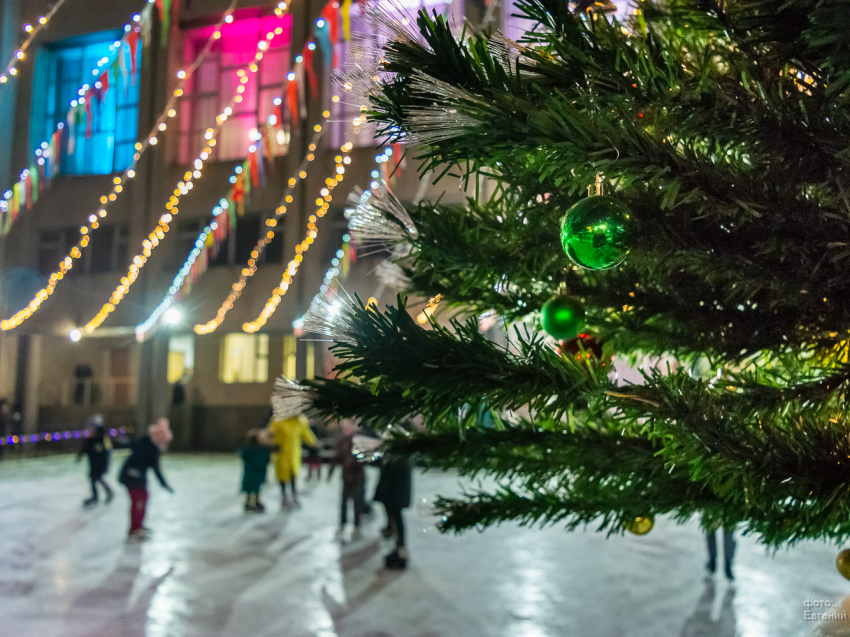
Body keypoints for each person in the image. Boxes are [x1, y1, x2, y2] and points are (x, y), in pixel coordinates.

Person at [118, 418, 174, 540]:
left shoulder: (154, 449)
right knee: (138, 502)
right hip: (130, 477)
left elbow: (156, 469)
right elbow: (131, 445)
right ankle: (134, 530)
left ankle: (139, 526)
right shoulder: (145, 442)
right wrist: (123, 440)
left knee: (143, 499)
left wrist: (165, 485)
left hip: (138, 478)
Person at [268, 410, 317, 508]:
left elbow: (306, 433)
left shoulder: (301, 421)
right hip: (281, 454)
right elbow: (272, 433)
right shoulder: (278, 419)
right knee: (282, 476)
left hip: (294, 454)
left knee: (293, 475)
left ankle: (294, 497)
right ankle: (284, 496)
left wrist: (314, 442)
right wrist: (272, 443)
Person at [374, 454, 412, 569]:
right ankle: (399, 547)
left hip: (394, 493)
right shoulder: (394, 453)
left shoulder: (398, 455)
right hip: (391, 493)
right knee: (394, 516)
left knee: (397, 517)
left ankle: (401, 549)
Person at [328, 420, 365, 540]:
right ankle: (343, 523)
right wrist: (331, 472)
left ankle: (357, 525)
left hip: (357, 477)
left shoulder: (359, 441)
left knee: (356, 503)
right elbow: (337, 457)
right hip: (346, 477)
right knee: (343, 502)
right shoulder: (342, 442)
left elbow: (363, 459)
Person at [77, 414, 113, 507]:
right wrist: (79, 456)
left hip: (100, 463)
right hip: (93, 463)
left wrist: (104, 461)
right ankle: (95, 497)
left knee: (98, 478)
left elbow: (107, 450)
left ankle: (108, 492)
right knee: (93, 479)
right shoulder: (90, 439)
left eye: (91, 427)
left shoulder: (101, 438)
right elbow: (84, 448)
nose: (89, 430)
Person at [239, 428, 273, 513]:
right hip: (255, 471)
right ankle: (252, 502)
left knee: (254, 487)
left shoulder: (258, 448)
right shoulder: (257, 449)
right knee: (254, 487)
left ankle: (251, 503)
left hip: (255, 472)